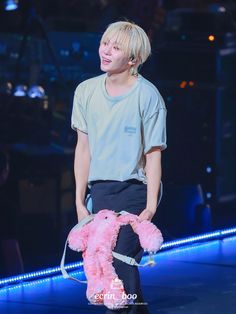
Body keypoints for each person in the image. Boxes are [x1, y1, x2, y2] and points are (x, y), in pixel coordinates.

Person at [71, 21, 167, 314]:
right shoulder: (86, 91)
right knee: (102, 265)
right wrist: (78, 201)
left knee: (119, 259)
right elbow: (83, 149)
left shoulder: (148, 96)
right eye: (104, 43)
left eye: (116, 47)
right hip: (100, 192)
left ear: (133, 59)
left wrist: (150, 207)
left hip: (134, 190)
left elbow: (153, 155)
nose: (106, 51)